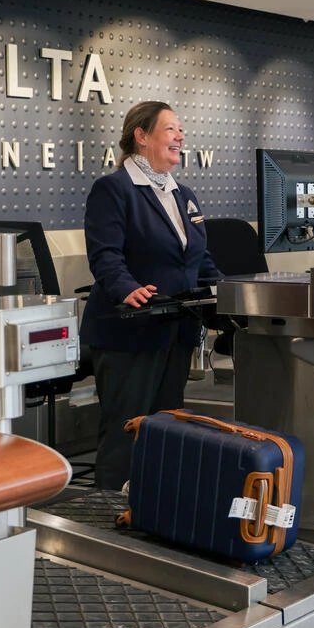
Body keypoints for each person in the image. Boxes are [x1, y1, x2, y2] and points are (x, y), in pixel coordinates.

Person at [79, 101, 221, 490]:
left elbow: (200, 259)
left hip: (175, 330)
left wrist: (229, 292)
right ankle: (109, 509)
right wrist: (126, 287)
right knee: (126, 432)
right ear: (142, 136)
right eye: (170, 129)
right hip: (130, 331)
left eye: (181, 129)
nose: (180, 136)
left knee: (167, 429)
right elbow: (105, 255)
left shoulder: (183, 194)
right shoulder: (114, 189)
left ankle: (156, 505)